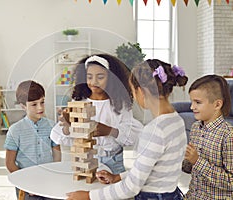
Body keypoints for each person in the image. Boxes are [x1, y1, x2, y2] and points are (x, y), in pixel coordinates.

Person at [66, 59, 188, 200]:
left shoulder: (154, 131)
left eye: (133, 91)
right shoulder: (176, 120)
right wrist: (118, 176)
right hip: (171, 194)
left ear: (141, 91)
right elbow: (150, 169)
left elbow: (131, 188)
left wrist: (88, 196)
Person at [51, 54, 144, 174]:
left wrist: (110, 131)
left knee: (112, 191)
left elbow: (133, 136)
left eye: (100, 77)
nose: (93, 82)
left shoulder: (119, 104)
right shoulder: (80, 102)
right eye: (89, 77)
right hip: (86, 160)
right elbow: (61, 136)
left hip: (114, 162)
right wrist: (67, 126)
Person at [4, 80, 61, 200]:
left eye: (42, 102)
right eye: (34, 104)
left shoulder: (52, 126)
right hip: (26, 184)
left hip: (49, 181)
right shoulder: (15, 130)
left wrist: (54, 176)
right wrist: (26, 184)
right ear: (23, 106)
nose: (40, 107)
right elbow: (10, 163)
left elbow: (57, 156)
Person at [183, 75, 233, 199]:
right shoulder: (195, 128)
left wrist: (197, 161)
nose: (192, 107)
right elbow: (190, 169)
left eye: (198, 102)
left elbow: (231, 182)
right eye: (192, 102)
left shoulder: (228, 135)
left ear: (217, 105)